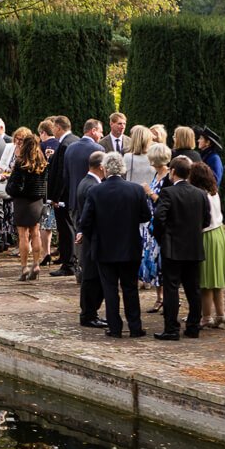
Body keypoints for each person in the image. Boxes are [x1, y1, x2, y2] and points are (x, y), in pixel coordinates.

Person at [77, 151, 150, 338]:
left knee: (110, 289)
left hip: (104, 247)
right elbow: (146, 216)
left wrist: (94, 234)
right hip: (130, 246)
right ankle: (135, 327)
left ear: (105, 169)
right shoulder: (136, 190)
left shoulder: (95, 191)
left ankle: (115, 327)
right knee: (130, 288)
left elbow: (85, 222)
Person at [153, 156, 211, 340]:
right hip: (193, 247)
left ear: (172, 172)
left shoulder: (168, 193)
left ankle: (171, 329)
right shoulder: (200, 194)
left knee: (171, 288)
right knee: (193, 289)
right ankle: (193, 327)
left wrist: (163, 237)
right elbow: (206, 220)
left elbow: (158, 218)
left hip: (172, 247)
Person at [58, 118, 103, 278]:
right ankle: (90, 269)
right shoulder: (98, 149)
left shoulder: (70, 148)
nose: (101, 135)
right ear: (93, 130)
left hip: (74, 197)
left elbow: (66, 176)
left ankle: (79, 268)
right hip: (94, 198)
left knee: (78, 232)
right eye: (100, 132)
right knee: (91, 233)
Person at [190, 162, 225, 328]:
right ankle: (221, 314)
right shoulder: (214, 192)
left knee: (205, 282)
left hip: (206, 235)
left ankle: (206, 317)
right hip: (219, 234)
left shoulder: (200, 195)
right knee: (216, 280)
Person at [6, 127, 48, 280]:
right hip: (37, 201)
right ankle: (36, 264)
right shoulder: (42, 163)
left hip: (22, 202)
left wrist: (10, 188)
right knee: (35, 233)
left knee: (23, 236)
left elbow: (14, 186)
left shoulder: (20, 163)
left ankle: (24, 267)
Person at [75, 150, 107, 328]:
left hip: (88, 236)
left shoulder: (85, 182)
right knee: (91, 277)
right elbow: (90, 215)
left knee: (91, 276)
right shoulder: (92, 186)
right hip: (92, 238)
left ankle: (89, 312)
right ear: (101, 167)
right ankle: (89, 313)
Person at [46, 116, 81, 275]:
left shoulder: (66, 144)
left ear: (59, 128)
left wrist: (55, 197)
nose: (52, 130)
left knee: (67, 229)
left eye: (54, 127)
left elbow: (61, 174)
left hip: (64, 196)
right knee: (69, 227)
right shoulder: (75, 140)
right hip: (72, 193)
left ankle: (69, 264)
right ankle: (68, 259)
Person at [141, 143, 172, 311]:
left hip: (161, 225)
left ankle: (167, 298)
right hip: (151, 225)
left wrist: (149, 192)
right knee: (153, 262)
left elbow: (165, 202)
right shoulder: (157, 174)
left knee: (161, 262)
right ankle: (159, 297)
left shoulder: (168, 177)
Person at [37, 118, 59, 266]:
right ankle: (63, 251)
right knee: (61, 221)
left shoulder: (40, 146)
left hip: (44, 187)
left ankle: (46, 252)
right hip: (58, 186)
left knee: (46, 223)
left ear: (43, 132)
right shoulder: (61, 144)